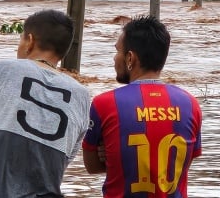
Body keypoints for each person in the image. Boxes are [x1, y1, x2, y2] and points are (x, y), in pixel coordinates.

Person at [0, 9, 91, 198]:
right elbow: (58, 165)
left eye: (21, 39)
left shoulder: (4, 70)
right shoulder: (82, 96)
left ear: (30, 40)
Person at [82, 15, 202, 197]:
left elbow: (91, 166)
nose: (115, 58)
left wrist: (117, 154)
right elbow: (182, 163)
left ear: (130, 58)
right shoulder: (190, 104)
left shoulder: (104, 104)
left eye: (117, 51)